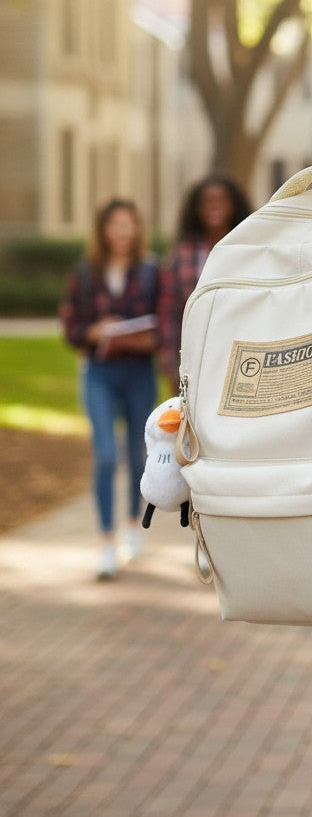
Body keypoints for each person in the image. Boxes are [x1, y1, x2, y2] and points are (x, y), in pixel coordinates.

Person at [60, 199, 159, 578]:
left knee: (137, 452)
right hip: (99, 372)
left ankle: (133, 525)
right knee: (104, 455)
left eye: (128, 224)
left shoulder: (151, 271)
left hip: (139, 372)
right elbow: (70, 328)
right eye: (115, 224)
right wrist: (94, 331)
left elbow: (163, 323)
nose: (122, 231)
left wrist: (139, 336)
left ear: (137, 229)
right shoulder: (85, 273)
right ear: (103, 229)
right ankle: (105, 541)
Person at [158, 175, 251, 395]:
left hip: (240, 354)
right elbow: (169, 314)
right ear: (196, 209)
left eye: (222, 199)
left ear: (234, 205)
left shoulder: (250, 250)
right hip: (195, 357)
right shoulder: (180, 256)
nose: (214, 206)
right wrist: (172, 366)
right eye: (207, 200)